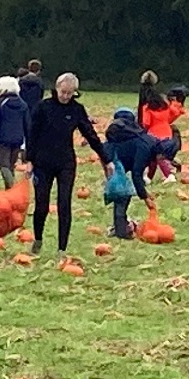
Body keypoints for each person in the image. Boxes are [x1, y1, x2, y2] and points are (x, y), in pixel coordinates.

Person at [23, 72, 109, 257]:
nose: (65, 96)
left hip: (66, 163)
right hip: (42, 162)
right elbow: (32, 134)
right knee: (41, 205)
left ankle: (62, 249)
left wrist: (105, 158)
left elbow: (90, 134)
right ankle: (38, 239)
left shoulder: (77, 110)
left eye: (70, 93)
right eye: (63, 92)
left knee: (64, 204)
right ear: (57, 88)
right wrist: (29, 160)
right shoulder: (43, 107)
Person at [101, 107, 178, 239]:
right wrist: (145, 198)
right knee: (122, 194)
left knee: (122, 193)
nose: (162, 160)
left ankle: (120, 226)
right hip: (113, 158)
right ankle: (121, 231)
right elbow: (136, 174)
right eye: (163, 157)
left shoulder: (146, 142)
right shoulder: (145, 146)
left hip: (113, 154)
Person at [0, 75, 31, 188]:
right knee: (11, 165)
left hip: (4, 139)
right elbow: (28, 124)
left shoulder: (0, 103)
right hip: (18, 139)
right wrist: (28, 140)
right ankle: (10, 192)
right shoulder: (23, 104)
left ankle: (12, 187)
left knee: (3, 165)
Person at [138, 71, 184, 182]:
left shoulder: (146, 107)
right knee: (156, 156)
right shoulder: (164, 104)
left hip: (154, 135)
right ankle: (149, 177)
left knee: (155, 157)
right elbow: (173, 113)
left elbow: (146, 123)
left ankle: (168, 175)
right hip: (167, 133)